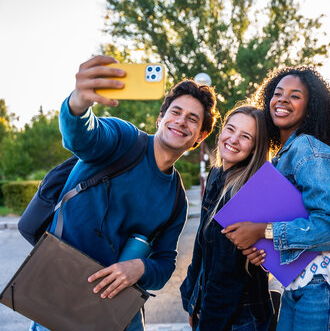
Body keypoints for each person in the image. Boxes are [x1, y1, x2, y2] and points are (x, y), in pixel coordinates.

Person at [30, 55, 217, 331]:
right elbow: (81, 136)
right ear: (160, 118)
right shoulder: (124, 139)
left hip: (117, 308)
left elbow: (164, 263)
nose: (181, 122)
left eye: (192, 119)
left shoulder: (176, 197)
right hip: (63, 288)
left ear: (199, 136)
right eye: (175, 112)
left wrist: (139, 269)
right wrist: (79, 102)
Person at [222, 67, 330, 331]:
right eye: (277, 93)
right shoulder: (282, 157)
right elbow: (293, 223)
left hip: (327, 288)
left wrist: (261, 231)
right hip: (300, 286)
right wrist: (263, 252)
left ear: (311, 107)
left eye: (295, 95)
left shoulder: (309, 151)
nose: (282, 100)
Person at [180, 105, 273, 331]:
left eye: (246, 136)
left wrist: (207, 322)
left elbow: (226, 277)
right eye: (230, 129)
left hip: (239, 318)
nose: (233, 139)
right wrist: (194, 303)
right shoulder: (216, 176)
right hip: (213, 309)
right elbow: (201, 251)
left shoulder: (245, 192)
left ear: (255, 148)